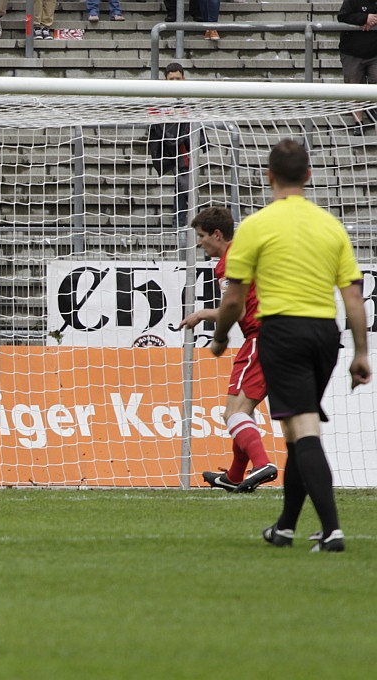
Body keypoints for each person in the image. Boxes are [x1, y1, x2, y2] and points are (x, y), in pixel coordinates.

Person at [211, 139, 371, 552]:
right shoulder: (330, 226)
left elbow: (233, 300)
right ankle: (284, 527)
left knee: (304, 430)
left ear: (269, 177)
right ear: (308, 176)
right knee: (296, 433)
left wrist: (220, 336)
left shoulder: (256, 226)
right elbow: (354, 299)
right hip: (325, 336)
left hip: (282, 333)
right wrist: (361, 352)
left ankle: (332, 531)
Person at [180, 206, 277, 493]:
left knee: (233, 414)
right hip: (279, 336)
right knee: (243, 411)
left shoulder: (228, 262)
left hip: (260, 338)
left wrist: (202, 315)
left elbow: (236, 309)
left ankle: (262, 464)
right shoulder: (247, 253)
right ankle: (235, 477)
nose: (199, 243)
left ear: (217, 234)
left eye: (201, 236)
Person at [147, 62, 193, 228]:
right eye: (171, 79)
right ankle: (180, 223)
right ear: (165, 80)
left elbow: (195, 115)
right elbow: (151, 113)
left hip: (184, 148)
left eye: (177, 79)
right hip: (167, 147)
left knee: (184, 185)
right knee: (182, 185)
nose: (175, 82)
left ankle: (180, 223)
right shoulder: (160, 98)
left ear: (183, 79)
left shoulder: (191, 96)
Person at [337, 0, 377, 135]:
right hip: (352, 52)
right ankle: (358, 124)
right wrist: (364, 18)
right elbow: (342, 16)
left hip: (374, 52)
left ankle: (371, 108)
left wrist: (373, 20)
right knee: (353, 87)